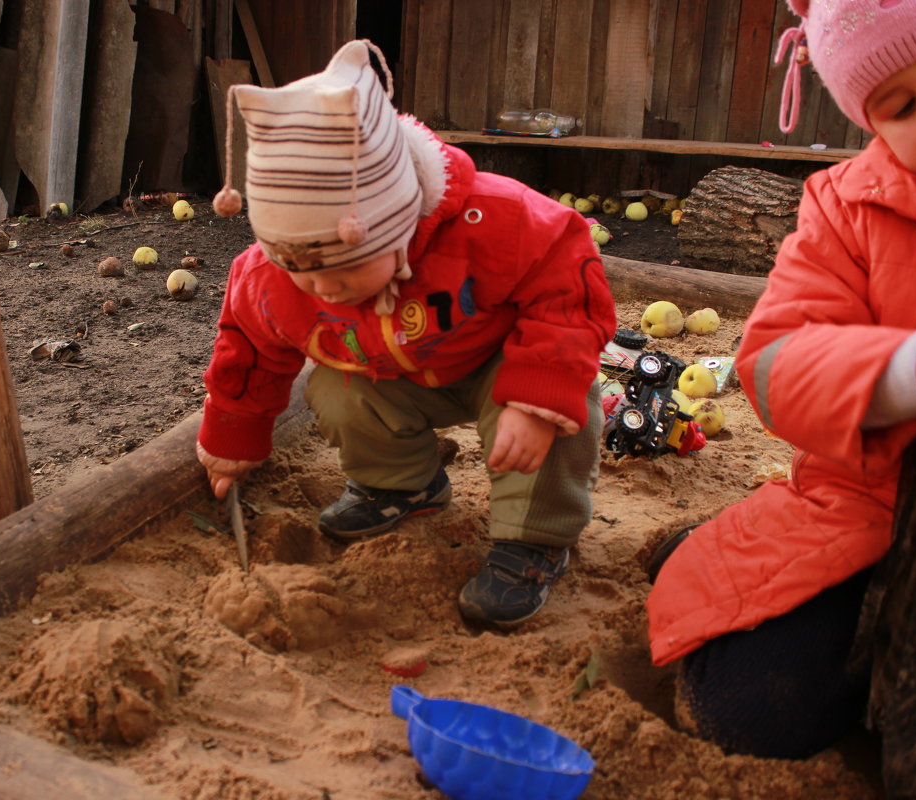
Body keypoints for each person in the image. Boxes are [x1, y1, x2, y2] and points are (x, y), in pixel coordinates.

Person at [195, 39, 616, 627]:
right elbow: (249, 348)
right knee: (336, 391)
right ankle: (401, 486)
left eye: (344, 269)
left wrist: (538, 394)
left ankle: (533, 539)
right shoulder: (272, 278)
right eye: (304, 275)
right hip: (396, 373)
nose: (325, 291)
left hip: (502, 361)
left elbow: (567, 283)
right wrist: (233, 435)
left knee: (554, 411)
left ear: (398, 224)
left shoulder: (491, 221)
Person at [646, 0, 916, 761]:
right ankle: (710, 555)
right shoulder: (849, 208)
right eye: (901, 104)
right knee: (750, 710)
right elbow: (777, 367)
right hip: (870, 505)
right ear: (870, 123)